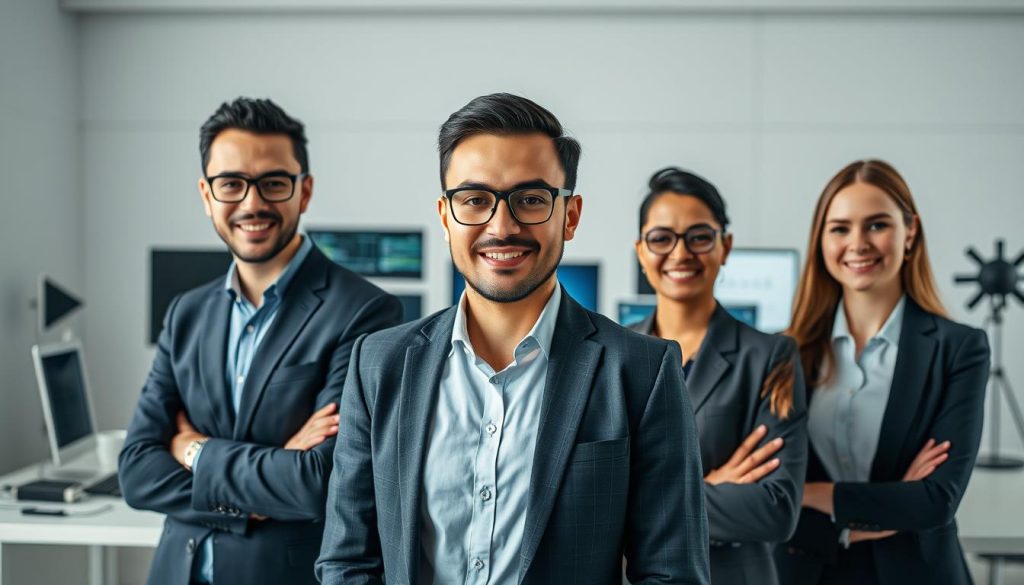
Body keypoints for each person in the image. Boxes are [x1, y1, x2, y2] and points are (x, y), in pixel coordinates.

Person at [315, 93, 710, 585]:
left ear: (569, 215)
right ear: (445, 216)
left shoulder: (642, 371)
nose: (502, 227)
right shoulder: (379, 364)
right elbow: (348, 561)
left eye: (531, 199)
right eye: (475, 200)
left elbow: (673, 574)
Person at [118, 97, 403, 585]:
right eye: (231, 183)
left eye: (273, 183)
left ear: (304, 191)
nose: (252, 203)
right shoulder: (186, 313)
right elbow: (137, 472)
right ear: (207, 195)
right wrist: (264, 484)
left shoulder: (365, 312)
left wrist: (193, 449)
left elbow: (320, 482)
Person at [775, 159, 990, 584]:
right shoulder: (782, 354)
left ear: (910, 231)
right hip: (806, 572)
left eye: (876, 225)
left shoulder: (959, 349)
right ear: (821, 240)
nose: (858, 243)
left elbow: (934, 501)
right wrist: (881, 509)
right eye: (840, 228)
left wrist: (810, 494)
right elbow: (764, 501)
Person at [631, 167, 807, 584]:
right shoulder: (611, 354)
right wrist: (705, 487)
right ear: (641, 251)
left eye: (699, 237)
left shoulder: (771, 357)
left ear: (725, 246)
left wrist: (642, 500)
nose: (680, 253)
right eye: (662, 238)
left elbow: (776, 508)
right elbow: (589, 497)